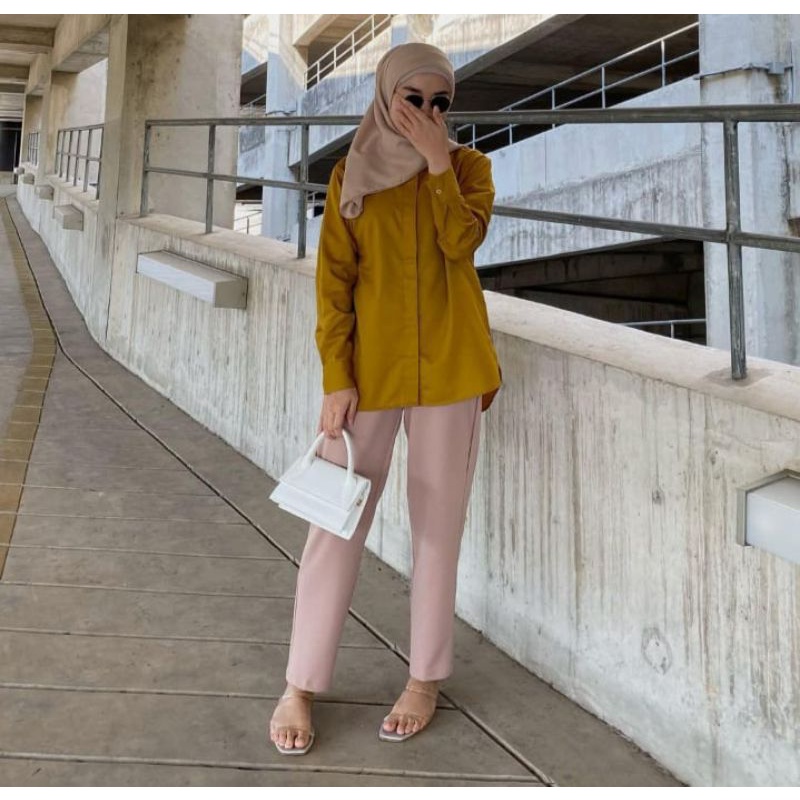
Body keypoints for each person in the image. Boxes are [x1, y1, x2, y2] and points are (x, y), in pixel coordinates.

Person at [269, 41, 502, 755]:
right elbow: (334, 285)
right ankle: (300, 683)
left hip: (452, 370)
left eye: (441, 103)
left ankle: (424, 679)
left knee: (436, 530)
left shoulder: (469, 169)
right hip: (369, 375)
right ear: (385, 95)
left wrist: (436, 164)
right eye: (413, 99)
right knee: (334, 525)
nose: (427, 113)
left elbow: (461, 243)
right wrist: (335, 377)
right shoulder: (351, 174)